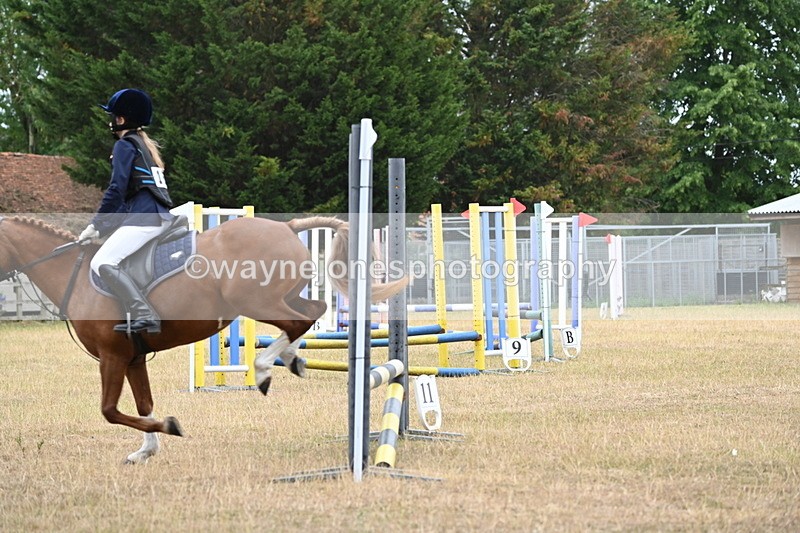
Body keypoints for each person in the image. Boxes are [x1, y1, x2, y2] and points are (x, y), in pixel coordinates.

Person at [79, 88, 175, 335]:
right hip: (158, 214)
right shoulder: (144, 145)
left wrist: (96, 224)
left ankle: (144, 314)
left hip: (146, 218)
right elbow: (127, 199)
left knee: (102, 261)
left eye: (112, 116)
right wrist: (104, 228)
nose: (110, 121)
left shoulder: (124, 145)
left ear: (121, 119)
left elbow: (116, 189)